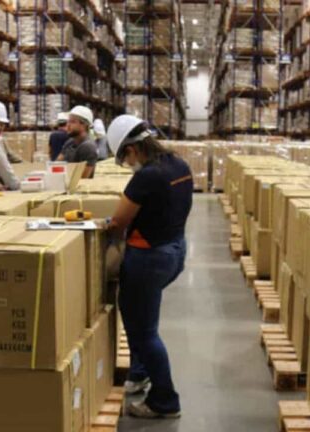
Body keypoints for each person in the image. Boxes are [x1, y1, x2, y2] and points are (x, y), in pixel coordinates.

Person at [106, 115, 193, 419]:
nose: (128, 164)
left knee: (143, 331)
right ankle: (139, 372)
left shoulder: (147, 176)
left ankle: (164, 401)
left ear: (132, 149)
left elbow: (118, 222)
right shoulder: (179, 165)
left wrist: (104, 227)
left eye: (125, 158)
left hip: (148, 259)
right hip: (175, 251)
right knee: (142, 317)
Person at [0, 101, 22, 188]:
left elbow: (13, 157)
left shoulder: (1, 140)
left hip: (3, 186)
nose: (0, 128)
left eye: (3, 125)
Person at [57, 105, 98, 178]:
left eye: (72, 122)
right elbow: (56, 165)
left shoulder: (88, 147)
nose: (68, 125)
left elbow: (82, 178)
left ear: (84, 125)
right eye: (68, 121)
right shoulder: (70, 142)